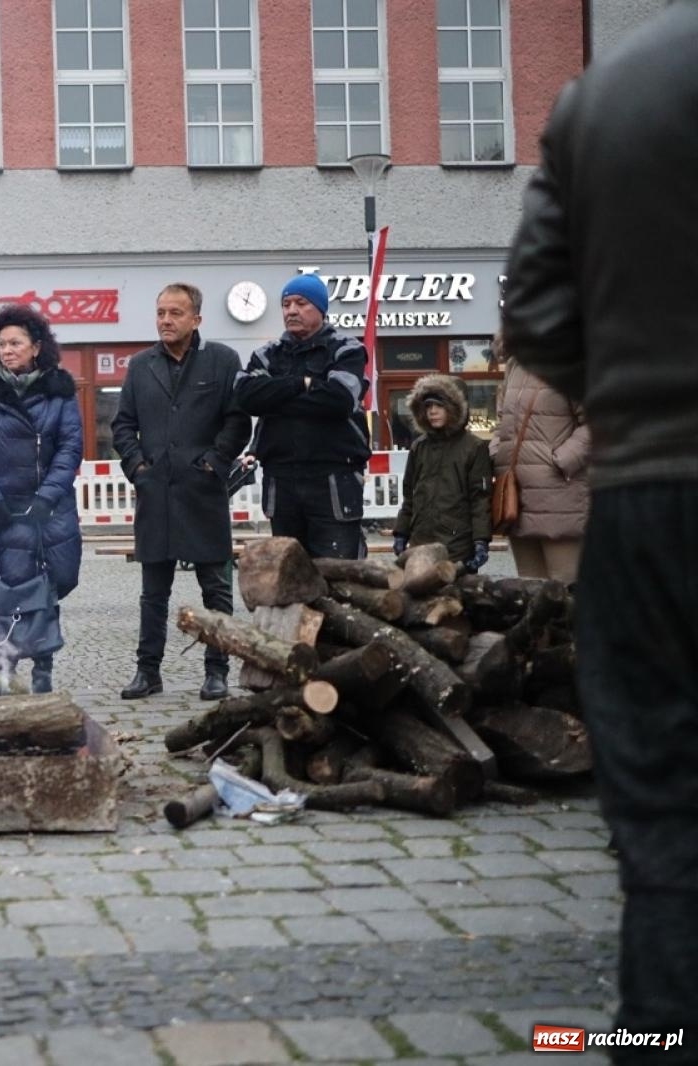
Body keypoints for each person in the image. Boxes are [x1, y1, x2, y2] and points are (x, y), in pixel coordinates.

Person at [502, 4, 698, 1049]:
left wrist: (623, 407)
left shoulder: (604, 94)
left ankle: (660, 1029)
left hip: (646, 491)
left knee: (661, 812)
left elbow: (532, 312)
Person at [112, 283, 251, 700]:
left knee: (216, 589)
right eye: (160, 313)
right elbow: (122, 425)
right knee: (153, 592)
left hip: (204, 491)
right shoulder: (140, 365)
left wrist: (214, 462)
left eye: (175, 313)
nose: (166, 320)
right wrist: (138, 468)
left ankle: (217, 670)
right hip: (156, 494)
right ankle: (147, 671)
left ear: (196, 319)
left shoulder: (222, 361)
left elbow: (238, 420)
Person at [0, 304, 83, 693]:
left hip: (47, 510)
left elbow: (69, 448)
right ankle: (4, 668)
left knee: (47, 586)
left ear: (36, 347)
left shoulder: (59, 391)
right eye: (2, 344)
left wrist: (48, 496)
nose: (7, 350)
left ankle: (43, 668)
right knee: (1, 589)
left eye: (16, 343)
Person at [234, 274, 371, 560]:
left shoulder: (347, 350)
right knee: (289, 578)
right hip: (281, 479)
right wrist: (302, 384)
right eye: (286, 304)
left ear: (321, 309)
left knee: (339, 577)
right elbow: (247, 396)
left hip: (334, 479)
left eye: (301, 302)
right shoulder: (267, 354)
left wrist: (275, 397)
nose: (291, 310)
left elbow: (339, 401)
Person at [487, 331, 589, 583]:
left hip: (560, 496)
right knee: (529, 588)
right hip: (516, 496)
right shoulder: (514, 364)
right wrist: (496, 450)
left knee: (564, 587)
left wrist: (561, 460)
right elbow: (504, 421)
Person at [391, 374, 494, 571]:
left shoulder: (474, 447)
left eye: (439, 405)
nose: (432, 411)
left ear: (455, 408)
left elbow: (480, 499)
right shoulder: (419, 447)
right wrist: (401, 532)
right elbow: (410, 495)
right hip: (420, 539)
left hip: (457, 543)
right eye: (428, 406)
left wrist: (481, 541)